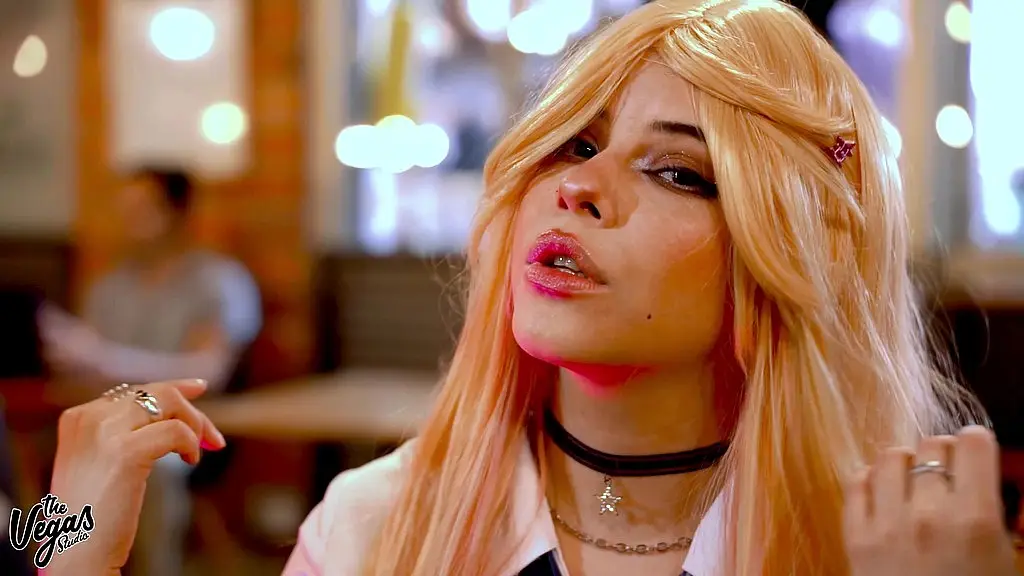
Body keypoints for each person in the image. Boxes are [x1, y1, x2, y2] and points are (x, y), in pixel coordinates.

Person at [46, 2, 1020, 575]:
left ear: (792, 254)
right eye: (573, 145)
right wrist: (66, 548)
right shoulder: (373, 523)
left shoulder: (898, 550)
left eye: (676, 171)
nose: (578, 187)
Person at [39, 167, 261, 576]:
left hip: (195, 423)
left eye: (143, 208)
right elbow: (88, 374)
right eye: (124, 208)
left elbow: (207, 373)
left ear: (178, 213)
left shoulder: (218, 281)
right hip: (114, 414)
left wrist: (103, 358)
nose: (128, 219)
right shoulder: (109, 287)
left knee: (152, 460)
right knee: (60, 443)